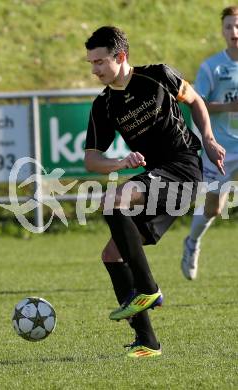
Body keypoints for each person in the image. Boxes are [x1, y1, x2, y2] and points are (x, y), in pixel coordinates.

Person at [84, 26, 225, 358]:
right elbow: (91, 159)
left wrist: (207, 138)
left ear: (121, 57)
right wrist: (119, 162)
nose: (94, 70)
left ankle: (148, 289)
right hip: (155, 178)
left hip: (183, 168)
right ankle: (147, 341)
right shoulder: (103, 105)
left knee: (113, 200)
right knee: (112, 255)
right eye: (90, 63)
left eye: (100, 61)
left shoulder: (158, 76)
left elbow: (195, 100)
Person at [181, 6, 238, 281]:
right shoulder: (212, 67)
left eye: (237, 26)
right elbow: (197, 103)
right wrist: (231, 106)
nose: (234, 32)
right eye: (229, 26)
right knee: (214, 208)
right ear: (222, 31)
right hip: (222, 149)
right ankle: (192, 243)